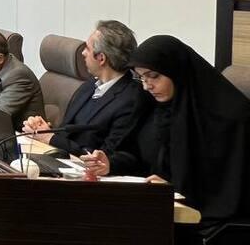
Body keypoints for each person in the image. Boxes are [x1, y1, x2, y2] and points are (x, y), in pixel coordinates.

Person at [81, 35, 250, 231]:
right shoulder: (153, 106)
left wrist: (173, 189)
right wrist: (111, 163)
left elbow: (225, 189)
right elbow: (140, 156)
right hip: (156, 207)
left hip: (205, 224)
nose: (147, 86)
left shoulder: (228, 118)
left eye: (153, 76)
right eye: (141, 77)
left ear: (176, 71)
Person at [22, 20, 149, 157]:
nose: (83, 53)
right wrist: (44, 130)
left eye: (87, 48)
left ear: (101, 58)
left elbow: (106, 155)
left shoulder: (131, 100)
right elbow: (68, 132)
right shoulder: (90, 85)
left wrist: (50, 138)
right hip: (62, 159)